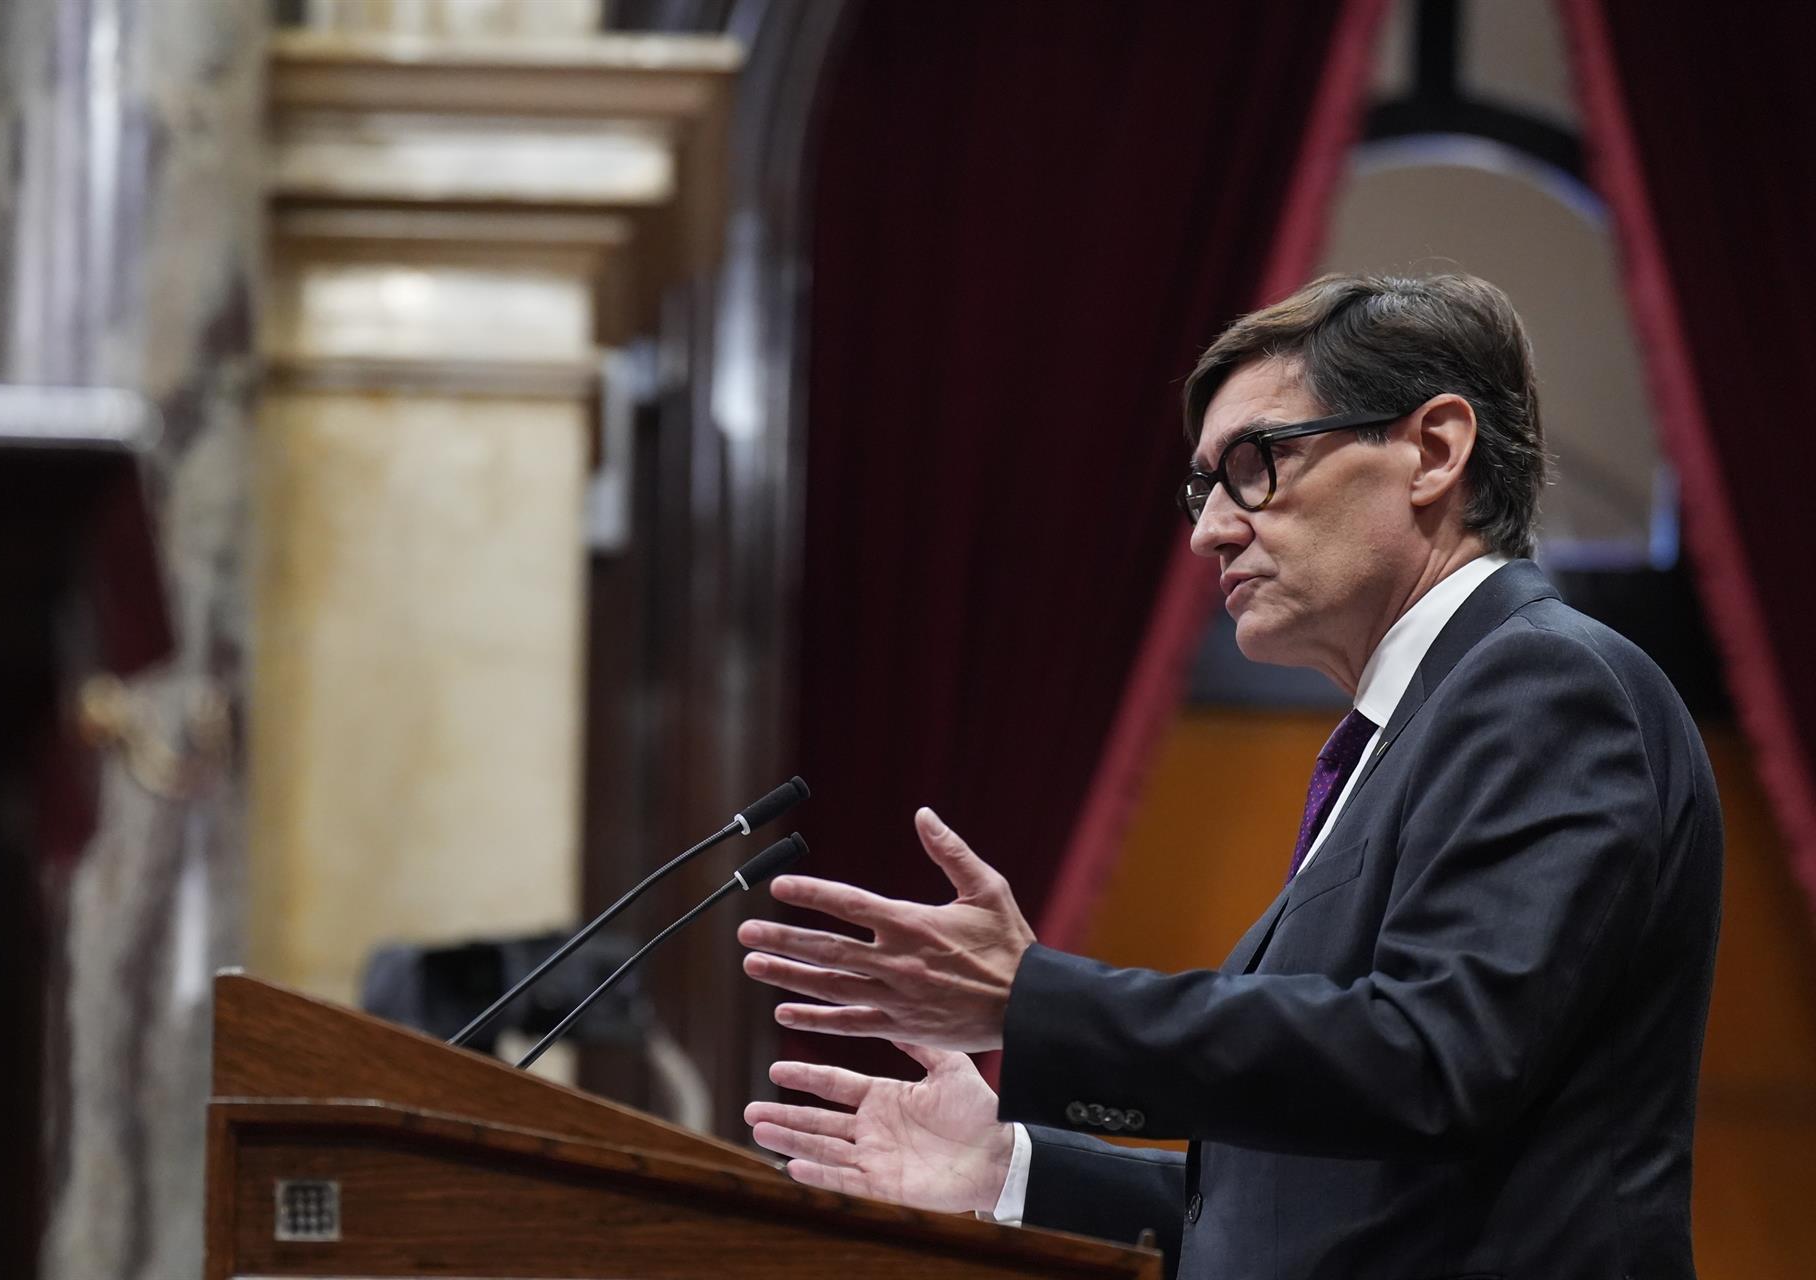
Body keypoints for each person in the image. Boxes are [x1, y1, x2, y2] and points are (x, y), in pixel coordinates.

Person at [736, 273, 1723, 1279]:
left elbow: (1430, 1058)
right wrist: (1014, 1168)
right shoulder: (1412, 729)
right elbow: (1327, 1209)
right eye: (1201, 487)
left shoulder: (1545, 682)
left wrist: (1035, 1003)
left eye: (1256, 464)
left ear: (1433, 448)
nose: (1210, 528)